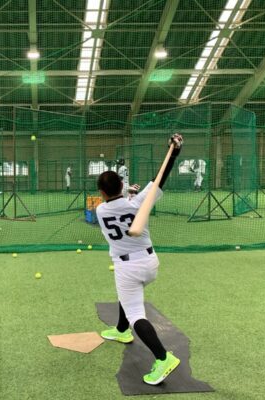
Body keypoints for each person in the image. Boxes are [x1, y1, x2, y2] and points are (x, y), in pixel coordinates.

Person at [96, 133, 183, 386]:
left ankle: (163, 358)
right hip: (149, 262)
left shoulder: (100, 210)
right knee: (127, 296)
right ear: (122, 186)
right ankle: (121, 330)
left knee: (136, 314)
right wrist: (174, 152)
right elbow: (159, 178)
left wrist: (131, 195)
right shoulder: (139, 202)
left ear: (101, 193)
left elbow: (117, 204)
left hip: (128, 267)